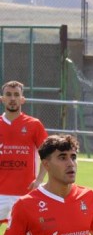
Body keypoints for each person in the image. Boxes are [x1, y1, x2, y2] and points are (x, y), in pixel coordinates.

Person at [0, 80, 48, 227]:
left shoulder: (34, 124)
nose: (12, 98)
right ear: (2, 99)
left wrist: (39, 180)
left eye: (16, 95)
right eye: (8, 94)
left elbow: (47, 155)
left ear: (22, 99)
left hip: (25, 193)